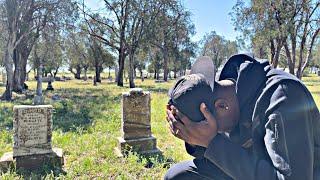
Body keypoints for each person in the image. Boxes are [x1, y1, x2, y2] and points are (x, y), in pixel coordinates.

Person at [165, 54, 320, 180]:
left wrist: (213, 142)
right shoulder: (228, 93)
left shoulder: (284, 98)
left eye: (210, 128)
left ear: (222, 106)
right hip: (251, 168)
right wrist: (198, 141)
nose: (213, 133)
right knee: (178, 176)